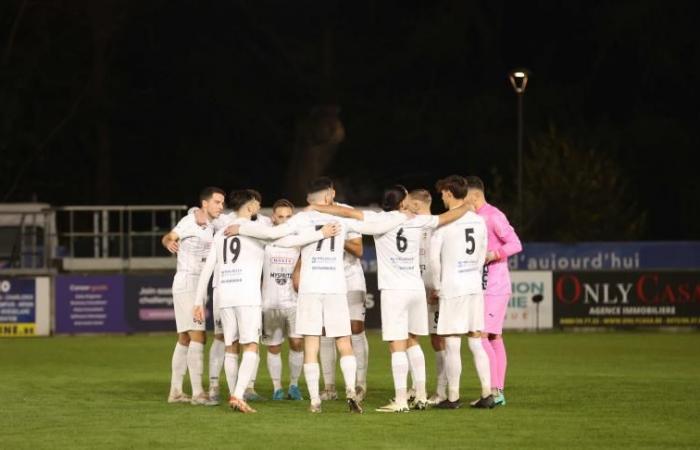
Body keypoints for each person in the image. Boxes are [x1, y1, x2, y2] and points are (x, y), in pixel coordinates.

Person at [231, 182, 404, 413]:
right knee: (344, 341)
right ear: (328, 197)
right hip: (335, 286)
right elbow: (371, 225)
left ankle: (314, 400)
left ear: (311, 198)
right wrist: (403, 217)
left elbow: (273, 235)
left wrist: (241, 229)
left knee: (311, 343)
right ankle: (352, 391)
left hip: (310, 288)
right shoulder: (343, 219)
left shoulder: (302, 219)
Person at [310, 183, 471, 412]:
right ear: (402, 201)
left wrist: (318, 207)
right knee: (413, 342)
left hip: (394, 291)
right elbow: (446, 218)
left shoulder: (378, 221)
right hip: (415, 289)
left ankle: (401, 400)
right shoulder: (415, 219)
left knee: (397, 346)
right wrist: (466, 205)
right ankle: (422, 396)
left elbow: (348, 213)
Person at [194, 189, 337, 413]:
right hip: (247, 296)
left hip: (225, 295)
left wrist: (198, 301)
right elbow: (285, 238)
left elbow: (207, 269)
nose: (259, 209)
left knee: (231, 347)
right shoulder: (254, 228)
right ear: (250, 207)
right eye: (257, 206)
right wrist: (322, 234)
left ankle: (234, 393)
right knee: (250, 346)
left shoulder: (221, 232)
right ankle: (238, 395)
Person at [430, 175, 493, 409]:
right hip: (473, 286)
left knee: (453, 342)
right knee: (476, 340)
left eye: (442, 194)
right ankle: (487, 393)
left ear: (448, 192)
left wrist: (437, 285)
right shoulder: (478, 220)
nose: (442, 198)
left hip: (453, 288)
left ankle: (453, 397)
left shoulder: (445, 223)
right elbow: (482, 253)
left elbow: (434, 260)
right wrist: (474, 275)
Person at [161, 186, 224, 406]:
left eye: (222, 203)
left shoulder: (212, 224)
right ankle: (198, 393)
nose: (221, 206)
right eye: (217, 202)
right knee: (199, 335)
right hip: (187, 281)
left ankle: (176, 392)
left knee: (185, 338)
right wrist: (169, 241)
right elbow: (170, 236)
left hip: (198, 284)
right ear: (205, 204)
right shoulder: (189, 221)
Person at [308, 177, 369, 402]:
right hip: (325, 279)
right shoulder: (311, 216)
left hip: (350, 278)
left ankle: (360, 384)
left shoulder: (347, 212)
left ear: (332, 193)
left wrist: (337, 237)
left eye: (328, 193)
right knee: (324, 331)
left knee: (355, 328)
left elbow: (359, 249)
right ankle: (329, 386)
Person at [465, 175, 522, 406]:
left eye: (465, 196)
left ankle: (494, 391)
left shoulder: (494, 215)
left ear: (475, 195)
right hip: (483, 285)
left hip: (495, 286)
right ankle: (497, 390)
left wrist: (493, 255)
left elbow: (516, 244)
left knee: (483, 336)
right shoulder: (474, 217)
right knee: (494, 336)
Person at [261, 199, 305, 401]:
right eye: (281, 216)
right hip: (269, 302)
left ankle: (294, 385)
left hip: (294, 301)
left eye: (289, 216)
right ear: (273, 218)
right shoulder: (265, 240)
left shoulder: (299, 241)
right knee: (274, 346)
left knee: (297, 343)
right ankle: (277, 387)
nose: (285, 220)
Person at [408, 189, 447, 405]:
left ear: (416, 204)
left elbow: (442, 259)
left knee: (438, 339)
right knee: (411, 336)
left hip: (433, 289)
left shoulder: (437, 225)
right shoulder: (412, 225)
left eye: (409, 204)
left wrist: (437, 287)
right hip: (415, 289)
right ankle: (416, 388)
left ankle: (441, 391)